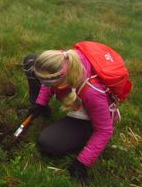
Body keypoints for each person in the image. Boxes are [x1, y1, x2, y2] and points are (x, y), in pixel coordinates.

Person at [22, 48, 118, 184]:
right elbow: (48, 83)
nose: (43, 85)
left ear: (62, 77)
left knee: (49, 143)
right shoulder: (63, 59)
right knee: (31, 60)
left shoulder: (92, 92)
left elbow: (104, 130)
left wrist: (82, 163)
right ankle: (44, 109)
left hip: (88, 115)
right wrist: (40, 104)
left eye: (47, 83)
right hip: (75, 94)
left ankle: (85, 133)